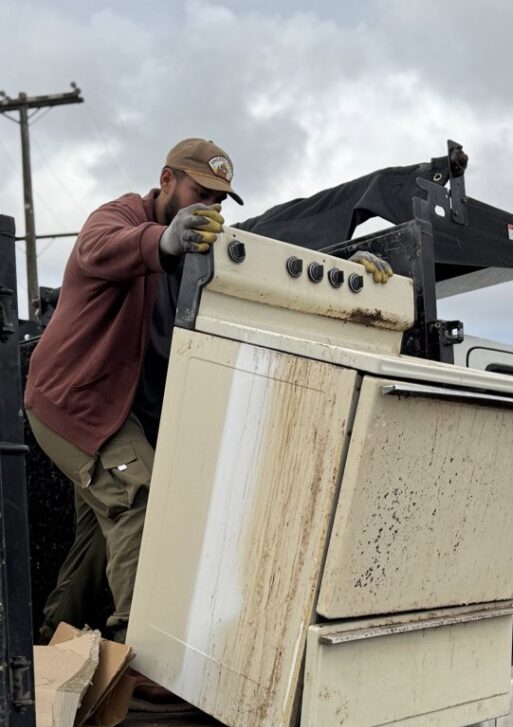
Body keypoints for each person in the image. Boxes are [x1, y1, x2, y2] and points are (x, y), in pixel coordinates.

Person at [25, 139, 394, 643]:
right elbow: (99, 246)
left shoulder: (204, 247)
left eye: (221, 199)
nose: (211, 207)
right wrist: (160, 242)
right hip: (75, 402)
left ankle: (46, 652)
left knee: (96, 542)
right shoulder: (119, 217)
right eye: (202, 192)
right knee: (142, 503)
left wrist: (352, 271)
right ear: (167, 180)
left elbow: (265, 267)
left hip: (123, 414)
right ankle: (146, 652)